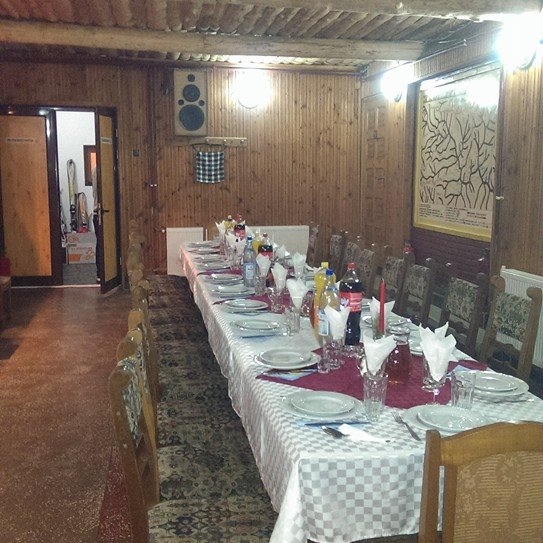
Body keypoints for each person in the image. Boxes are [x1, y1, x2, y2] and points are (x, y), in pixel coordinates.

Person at [91, 165, 102, 283]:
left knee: (100, 244)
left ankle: (100, 273)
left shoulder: (96, 169)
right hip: (99, 212)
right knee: (101, 244)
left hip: (97, 212)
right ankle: (100, 273)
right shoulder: (98, 169)